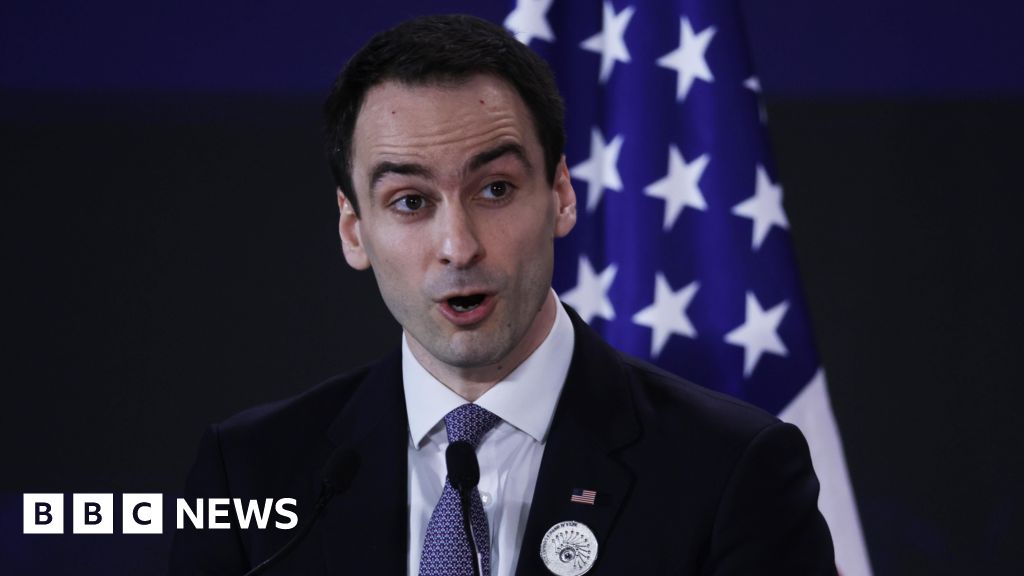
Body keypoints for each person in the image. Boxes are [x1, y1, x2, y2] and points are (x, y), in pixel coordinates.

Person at [170, 14, 836, 576]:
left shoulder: (731, 470)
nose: (458, 246)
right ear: (354, 230)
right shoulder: (252, 472)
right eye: (410, 201)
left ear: (561, 194)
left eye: (495, 189)